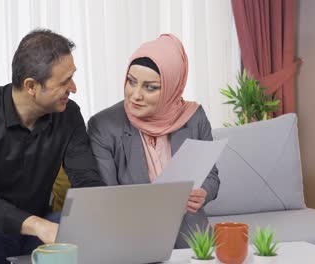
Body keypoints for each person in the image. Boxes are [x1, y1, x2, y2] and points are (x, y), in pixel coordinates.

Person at [0, 29, 106, 264]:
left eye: (72, 77)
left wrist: (105, 218)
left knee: (70, 224)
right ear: (31, 86)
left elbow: (86, 180)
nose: (74, 88)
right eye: (64, 82)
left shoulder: (68, 115)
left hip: (32, 236)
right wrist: (37, 225)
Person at [87, 34, 220, 248]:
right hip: (132, 239)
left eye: (150, 87)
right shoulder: (103, 125)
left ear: (171, 86)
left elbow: (211, 176)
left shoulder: (194, 117)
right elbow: (107, 197)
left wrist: (203, 192)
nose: (135, 95)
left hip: (192, 239)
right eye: (131, 82)